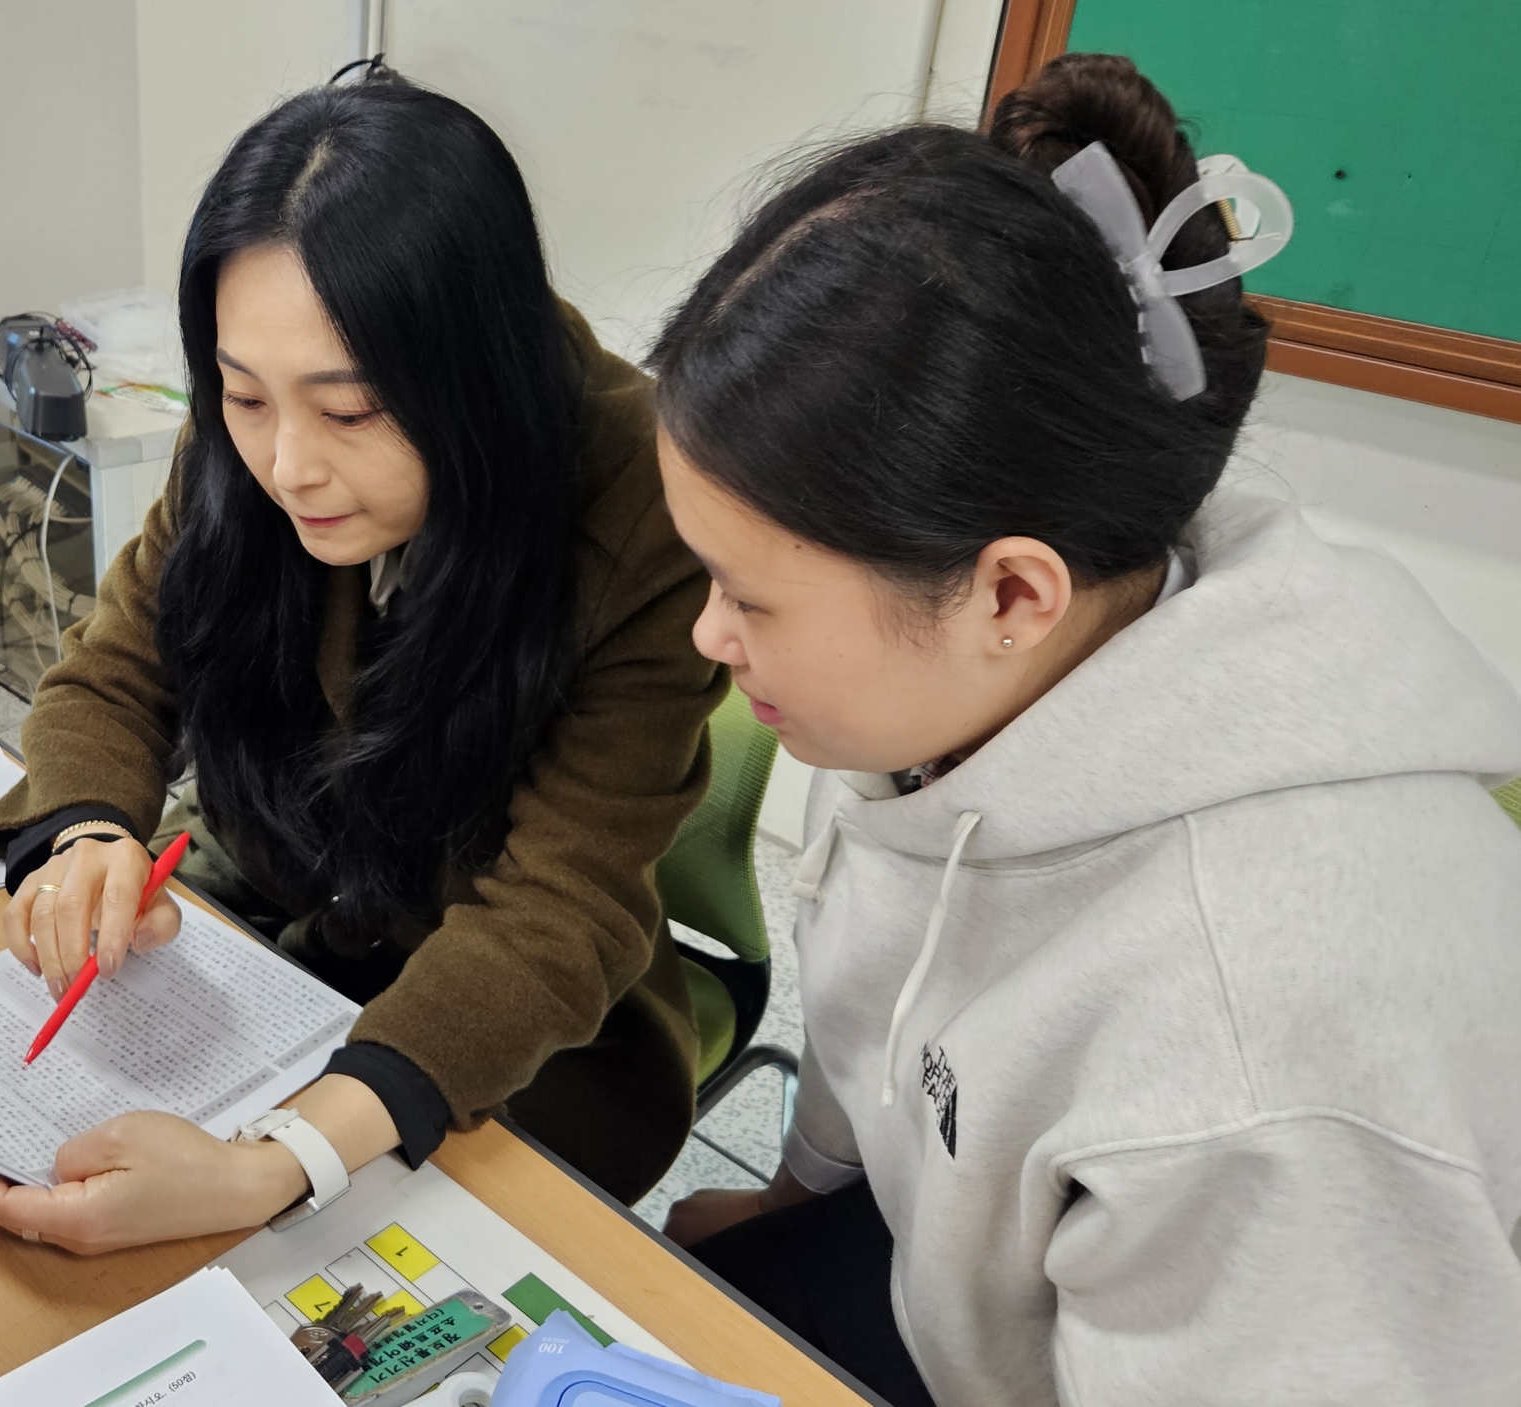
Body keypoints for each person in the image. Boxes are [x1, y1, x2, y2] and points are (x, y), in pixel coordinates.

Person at [646, 53, 1521, 1407]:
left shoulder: (1258, 1050)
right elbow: (885, 984)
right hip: (976, 1274)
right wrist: (791, 1195)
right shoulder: (948, 697)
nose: (710, 635)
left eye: (749, 593)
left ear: (1009, 590)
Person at [0, 75, 728, 1253]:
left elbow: (554, 914)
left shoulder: (639, 503)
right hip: (283, 918)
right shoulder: (255, 423)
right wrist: (82, 840)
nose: (285, 464)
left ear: (479, 376)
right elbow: (117, 669)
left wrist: (279, 1164)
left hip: (507, 1029)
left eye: (352, 411)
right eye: (242, 395)